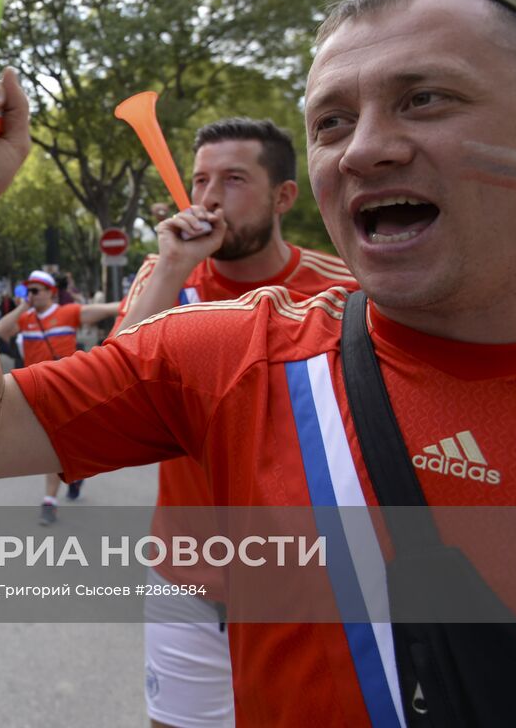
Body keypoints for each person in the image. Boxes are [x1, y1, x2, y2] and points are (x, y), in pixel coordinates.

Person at [0, 0, 516, 724]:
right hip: (191, 576)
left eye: (425, 99)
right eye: (333, 122)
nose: (363, 150)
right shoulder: (225, 346)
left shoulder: (325, 284)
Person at [115, 120, 355, 728]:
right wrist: (171, 270)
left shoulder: (343, 289)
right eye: (200, 180)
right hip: (186, 573)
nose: (210, 197)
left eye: (234, 180)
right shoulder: (165, 280)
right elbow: (108, 395)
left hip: (310, 583)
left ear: (282, 197)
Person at [0, 269, 119, 523]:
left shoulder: (68, 312)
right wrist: (22, 307)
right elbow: (1, 329)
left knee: (63, 443)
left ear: (51, 292)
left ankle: (61, 488)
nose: (31, 295)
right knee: (55, 444)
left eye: (36, 291)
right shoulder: (25, 318)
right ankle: (60, 488)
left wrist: (140, 298)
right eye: (28, 290)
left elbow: (107, 309)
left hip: (68, 389)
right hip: (36, 391)